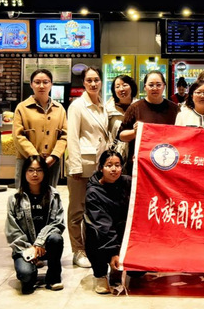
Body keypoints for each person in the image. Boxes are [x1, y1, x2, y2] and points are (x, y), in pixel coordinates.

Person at [5, 156, 65, 293]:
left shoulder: (53, 195)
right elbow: (12, 231)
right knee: (26, 277)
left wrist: (40, 243)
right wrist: (30, 249)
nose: (35, 174)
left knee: (56, 238)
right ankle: (30, 272)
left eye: (39, 170)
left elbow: (58, 223)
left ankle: (53, 278)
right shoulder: (15, 199)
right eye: (30, 170)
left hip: (45, 246)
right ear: (24, 173)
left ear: (45, 173)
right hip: (24, 249)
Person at [66, 67, 107, 269]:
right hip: (81, 165)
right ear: (83, 82)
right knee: (77, 211)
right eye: (89, 80)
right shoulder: (77, 106)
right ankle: (77, 251)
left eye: (96, 80)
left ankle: (91, 248)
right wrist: (75, 166)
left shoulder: (102, 105)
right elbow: (72, 137)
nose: (93, 84)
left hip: (99, 166)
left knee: (93, 210)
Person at [84, 150, 131, 294]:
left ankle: (117, 270)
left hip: (123, 233)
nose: (114, 169)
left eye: (117, 165)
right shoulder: (93, 192)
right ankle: (100, 274)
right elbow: (103, 225)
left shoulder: (127, 182)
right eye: (109, 165)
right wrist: (113, 252)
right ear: (101, 168)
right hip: (102, 235)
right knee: (93, 232)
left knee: (139, 272)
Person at [13, 69, 67, 188]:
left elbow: (64, 136)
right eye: (37, 82)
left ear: (51, 84)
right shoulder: (22, 108)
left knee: (49, 194)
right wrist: (35, 159)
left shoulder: (59, 109)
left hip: (51, 162)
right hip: (27, 161)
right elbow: (18, 136)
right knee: (24, 195)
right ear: (31, 84)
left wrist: (54, 156)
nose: (41, 86)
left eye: (45, 82)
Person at [118, 71, 179, 174]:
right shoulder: (135, 108)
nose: (155, 88)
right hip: (140, 165)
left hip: (167, 163)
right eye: (151, 85)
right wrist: (135, 132)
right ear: (145, 87)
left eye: (158, 85)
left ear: (164, 86)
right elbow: (121, 136)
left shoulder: (174, 109)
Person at [105, 75, 139, 163]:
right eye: (117, 86)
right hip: (115, 155)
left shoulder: (140, 107)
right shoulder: (107, 109)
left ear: (132, 87)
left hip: (135, 154)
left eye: (125, 85)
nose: (121, 89)